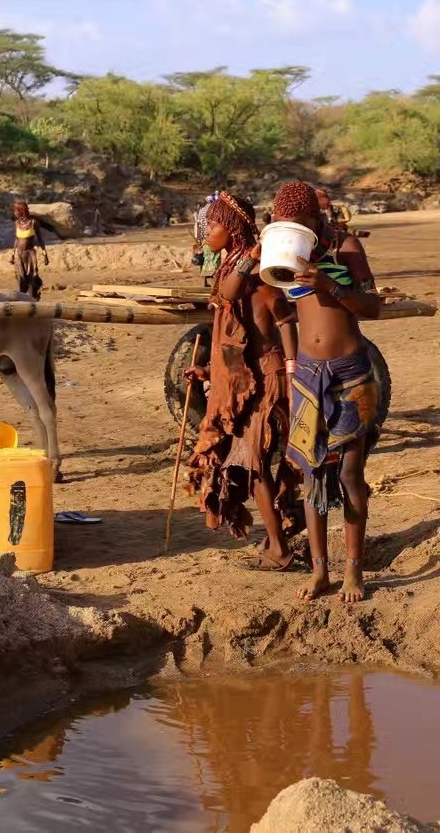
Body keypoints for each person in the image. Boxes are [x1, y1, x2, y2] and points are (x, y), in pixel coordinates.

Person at [263, 181, 383, 603]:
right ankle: (320, 572)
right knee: (312, 475)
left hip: (350, 371)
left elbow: (373, 306)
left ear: (315, 219)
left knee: (350, 474)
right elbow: (281, 309)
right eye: (283, 224)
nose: (291, 230)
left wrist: (329, 285)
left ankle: (354, 572)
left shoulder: (344, 248)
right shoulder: (284, 253)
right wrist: (293, 361)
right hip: (308, 376)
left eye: (297, 223)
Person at [185, 192, 303, 571]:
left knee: (253, 469)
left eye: (214, 225)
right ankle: (276, 543)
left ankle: (280, 551)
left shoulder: (256, 278)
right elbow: (239, 343)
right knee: (252, 469)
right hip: (248, 383)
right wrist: (210, 373)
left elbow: (277, 321)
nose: (207, 233)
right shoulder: (235, 271)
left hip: (267, 386)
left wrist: (291, 364)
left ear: (233, 230)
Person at [9, 201, 48, 299]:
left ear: (22, 211)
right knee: (21, 279)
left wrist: (45, 254)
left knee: (32, 279)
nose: (15, 213)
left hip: (30, 255)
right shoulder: (17, 223)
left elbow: (40, 239)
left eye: (16, 211)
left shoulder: (33, 222)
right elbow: (17, 239)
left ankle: (33, 300)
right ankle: (22, 301)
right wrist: (13, 254)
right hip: (19, 255)